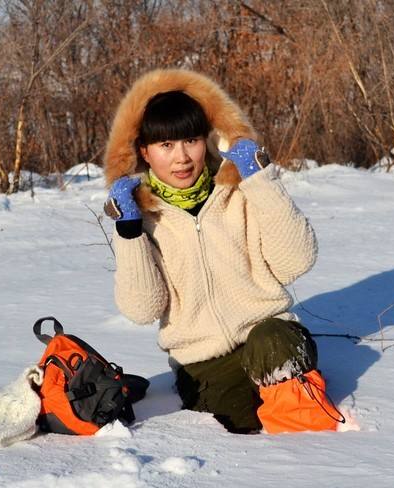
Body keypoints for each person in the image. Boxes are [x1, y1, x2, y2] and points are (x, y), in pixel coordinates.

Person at [102, 68, 345, 434]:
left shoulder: (236, 196)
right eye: (166, 146)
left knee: (274, 343)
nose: (182, 157)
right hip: (203, 364)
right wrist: (129, 230)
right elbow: (142, 309)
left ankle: (311, 451)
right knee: (242, 418)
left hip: (268, 340)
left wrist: (258, 180)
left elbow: (297, 261)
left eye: (191, 141)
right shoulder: (145, 220)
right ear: (144, 153)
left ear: (208, 141)